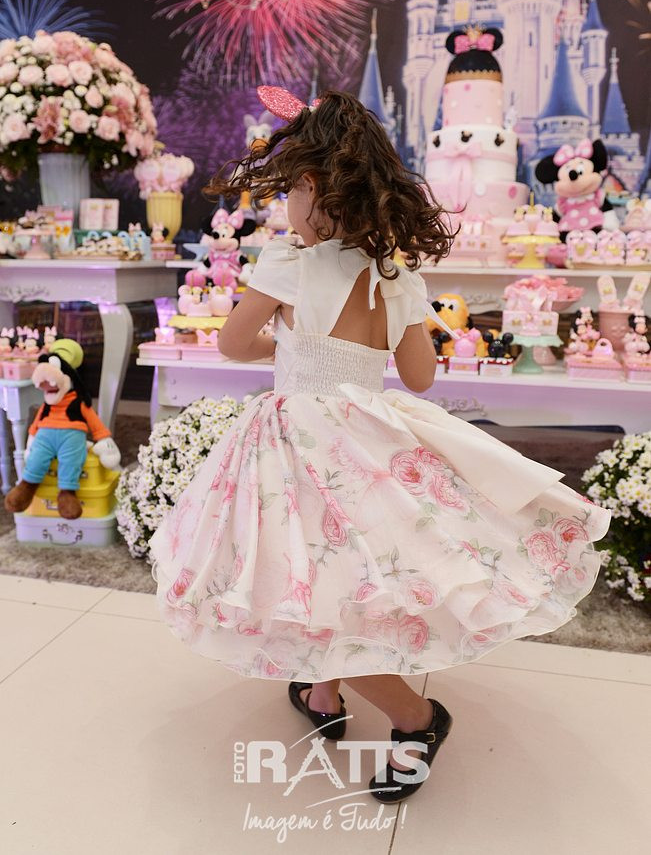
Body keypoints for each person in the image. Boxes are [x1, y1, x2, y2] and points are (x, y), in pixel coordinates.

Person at [149, 88, 611, 803]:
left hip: (300, 441)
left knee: (306, 570)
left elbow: (235, 343)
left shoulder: (289, 261)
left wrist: (290, 345)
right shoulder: (394, 271)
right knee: (343, 572)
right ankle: (323, 693)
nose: (290, 205)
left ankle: (416, 718)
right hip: (371, 439)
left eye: (293, 189)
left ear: (311, 186)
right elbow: (419, 376)